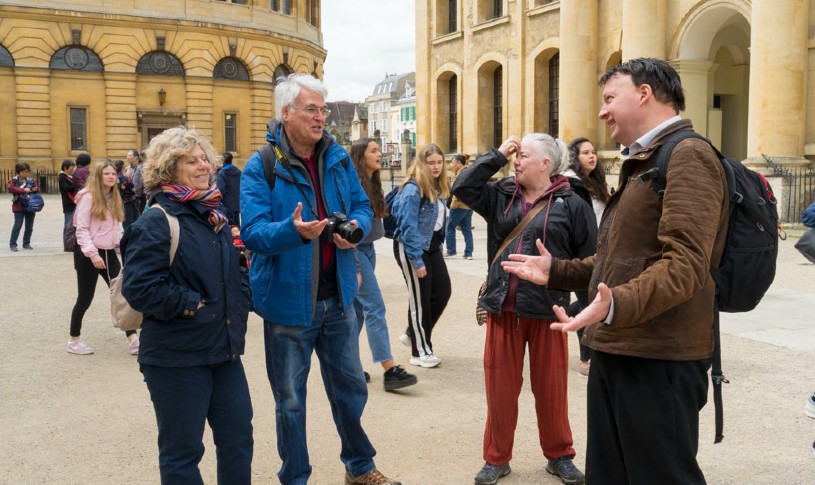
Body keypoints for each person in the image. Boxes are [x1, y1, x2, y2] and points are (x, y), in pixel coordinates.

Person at [501, 58, 729, 484]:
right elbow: (619, 263)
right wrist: (557, 271)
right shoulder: (646, 158)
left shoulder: (688, 154)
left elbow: (686, 264)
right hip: (621, 347)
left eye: (610, 99)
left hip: (659, 357)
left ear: (644, 95)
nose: (602, 112)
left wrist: (614, 305)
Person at [240, 73, 400, 485]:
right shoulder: (262, 164)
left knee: (351, 391)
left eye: (323, 109)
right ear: (286, 112)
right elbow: (253, 232)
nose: (321, 117)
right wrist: (294, 231)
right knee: (291, 401)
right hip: (288, 305)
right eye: (312, 109)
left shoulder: (338, 157)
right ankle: (295, 477)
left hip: (339, 299)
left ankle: (359, 467)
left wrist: (357, 231)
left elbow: (362, 206)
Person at [454, 134, 594, 485]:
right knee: (500, 389)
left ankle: (560, 455)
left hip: (549, 312)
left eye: (523, 156)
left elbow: (589, 260)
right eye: (515, 156)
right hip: (504, 308)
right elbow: (462, 185)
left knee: (552, 392)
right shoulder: (500, 194)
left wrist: (585, 313)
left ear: (546, 163)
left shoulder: (572, 202)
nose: (516, 161)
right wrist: (496, 155)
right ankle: (496, 458)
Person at [122, 127, 253, 483]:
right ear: (168, 169)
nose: (203, 166)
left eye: (204, 159)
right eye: (191, 160)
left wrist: (239, 299)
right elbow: (140, 287)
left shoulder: (214, 214)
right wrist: (196, 305)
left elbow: (234, 269)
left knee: (238, 440)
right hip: (176, 356)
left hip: (223, 350)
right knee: (183, 454)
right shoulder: (156, 220)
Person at [349, 137, 417, 391]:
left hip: (368, 249)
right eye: (374, 150)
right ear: (360, 155)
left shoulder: (372, 181)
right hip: (355, 250)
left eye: (379, 150)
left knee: (357, 311)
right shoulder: (354, 184)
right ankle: (389, 369)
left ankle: (348, 365)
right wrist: (355, 267)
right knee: (374, 306)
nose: (380, 154)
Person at [68, 160, 139, 355]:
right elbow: (80, 229)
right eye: (106, 174)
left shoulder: (114, 196)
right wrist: (92, 254)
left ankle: (133, 339)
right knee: (85, 298)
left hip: (108, 252)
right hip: (87, 254)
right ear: (98, 177)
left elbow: (117, 225)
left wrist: (121, 244)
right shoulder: (88, 197)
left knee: (122, 294)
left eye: (113, 174)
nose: (111, 177)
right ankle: (74, 340)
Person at [391, 143, 452, 369]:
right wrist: (416, 260)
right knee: (421, 299)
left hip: (431, 246)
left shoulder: (438, 186)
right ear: (421, 163)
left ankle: (413, 332)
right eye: (431, 162)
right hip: (411, 247)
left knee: (443, 291)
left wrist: (440, 243)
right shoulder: (412, 188)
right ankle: (420, 351)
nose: (436, 167)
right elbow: (407, 227)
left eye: (439, 162)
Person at [563, 137, 611, 377]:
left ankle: (564, 317)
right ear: (575, 157)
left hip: (602, 252)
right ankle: (586, 359)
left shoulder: (596, 183)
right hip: (582, 255)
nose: (592, 156)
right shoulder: (570, 184)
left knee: (592, 302)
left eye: (593, 152)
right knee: (587, 303)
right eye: (585, 153)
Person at [444, 154, 474, 260]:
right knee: (466, 229)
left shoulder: (461, 174)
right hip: (468, 206)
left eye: (453, 162)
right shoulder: (468, 172)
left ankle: (451, 250)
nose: (452, 165)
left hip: (458, 206)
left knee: (450, 227)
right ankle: (468, 253)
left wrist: (453, 205)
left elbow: (457, 190)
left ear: (458, 163)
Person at [7, 163, 40, 252]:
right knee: (17, 225)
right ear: (19, 172)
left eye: (27, 171)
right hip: (18, 206)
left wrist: (35, 189)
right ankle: (13, 244)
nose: (25, 173)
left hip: (30, 205)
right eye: (23, 172)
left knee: (29, 227)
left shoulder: (31, 180)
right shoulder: (13, 181)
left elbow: (38, 190)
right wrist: (23, 190)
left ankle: (26, 243)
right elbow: (11, 188)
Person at [216, 151, 242, 226]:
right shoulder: (239, 171)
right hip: (237, 204)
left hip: (226, 205)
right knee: (237, 227)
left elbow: (220, 190)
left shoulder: (222, 173)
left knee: (230, 228)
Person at [114, 159, 139, 233]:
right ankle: (129, 234)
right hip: (127, 201)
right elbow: (132, 190)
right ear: (122, 168)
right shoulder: (125, 179)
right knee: (131, 218)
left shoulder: (113, 178)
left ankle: (126, 232)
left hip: (118, 200)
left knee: (124, 219)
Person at [59, 159, 77, 230]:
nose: (72, 171)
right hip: (68, 203)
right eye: (71, 169)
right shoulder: (62, 177)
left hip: (73, 202)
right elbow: (66, 188)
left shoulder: (70, 177)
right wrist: (75, 185)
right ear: (65, 168)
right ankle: (66, 239)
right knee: (68, 224)